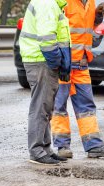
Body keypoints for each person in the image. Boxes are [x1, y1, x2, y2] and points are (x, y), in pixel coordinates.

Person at [51, 0, 104, 159]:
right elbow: (54, 31)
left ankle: (94, 146)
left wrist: (97, 16)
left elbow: (88, 27)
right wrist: (59, 62)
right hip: (65, 64)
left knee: (86, 108)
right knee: (59, 106)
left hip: (82, 64)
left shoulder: (90, 2)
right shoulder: (63, 3)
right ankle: (62, 146)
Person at [20, 0, 71, 165]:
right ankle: (36, 151)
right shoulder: (47, 3)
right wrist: (57, 62)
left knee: (46, 106)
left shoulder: (54, 4)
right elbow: (47, 39)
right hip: (41, 60)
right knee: (41, 106)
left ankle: (45, 148)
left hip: (42, 60)